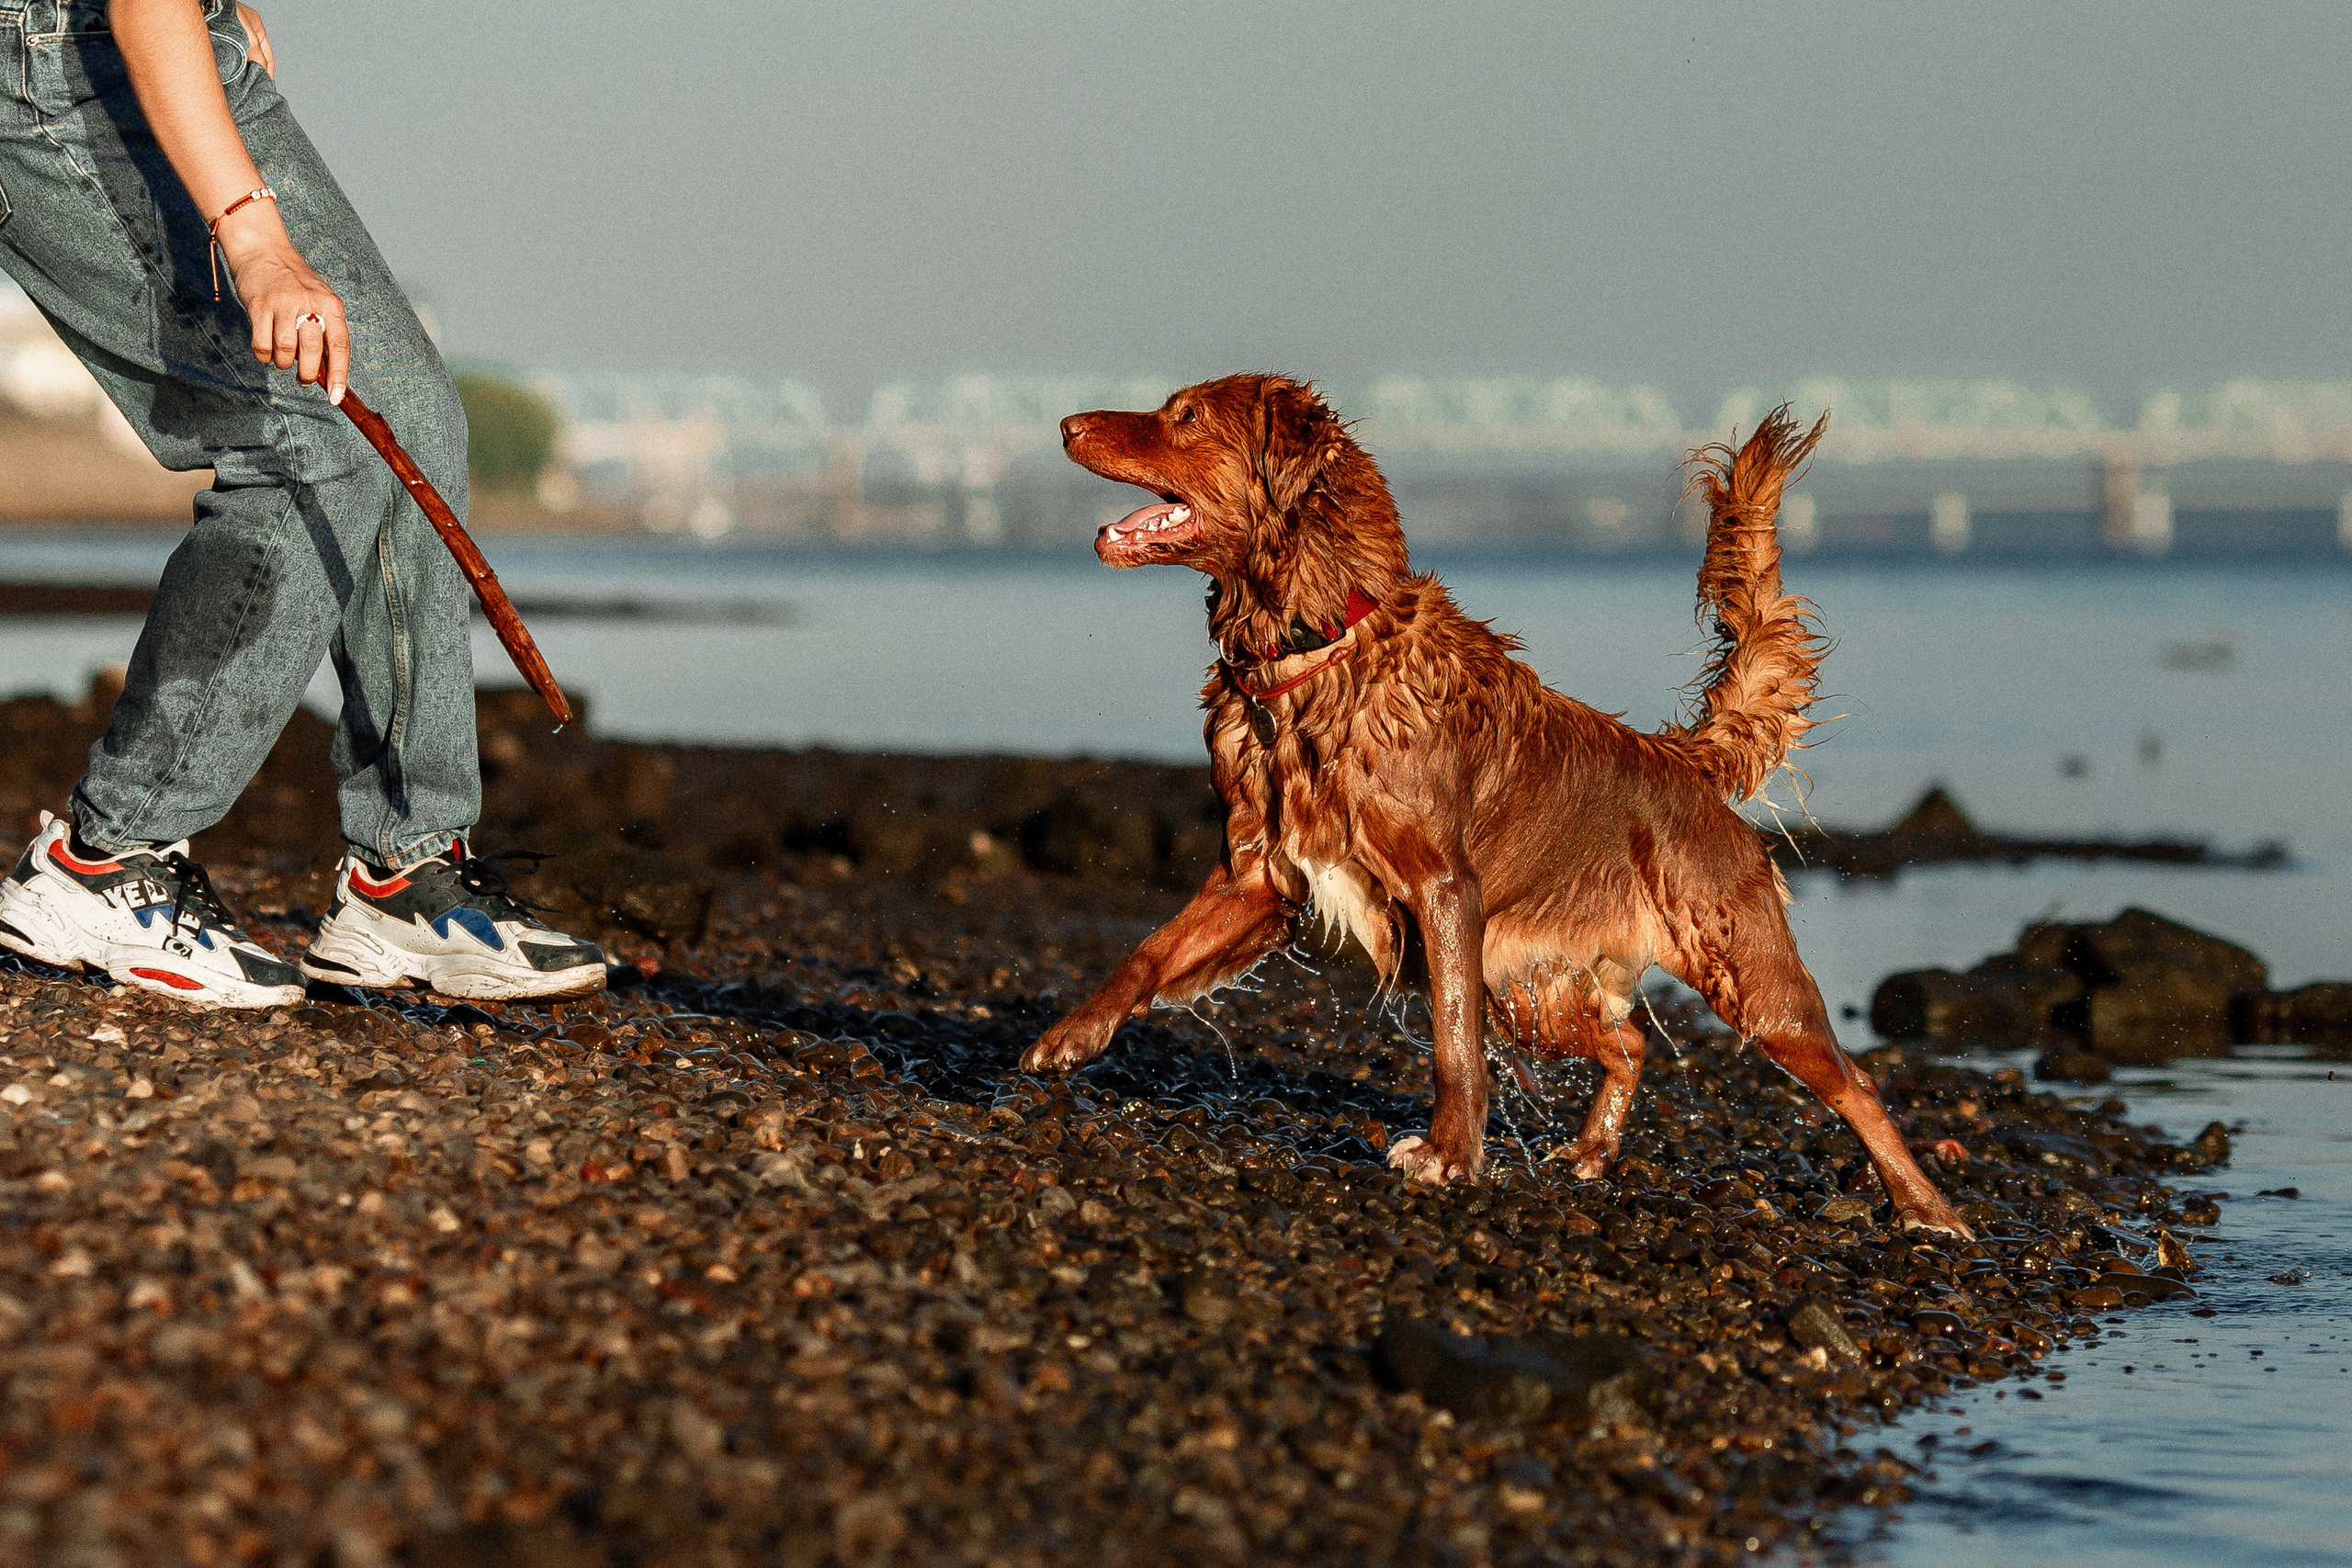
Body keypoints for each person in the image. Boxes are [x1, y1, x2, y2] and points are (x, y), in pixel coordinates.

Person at [0, 1, 605, 1005]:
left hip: (172, 42)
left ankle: (402, 875)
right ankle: (107, 861)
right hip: (51, 68)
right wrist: (254, 241)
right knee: (307, 438)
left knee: (401, 411)